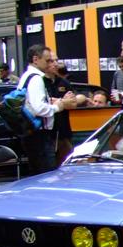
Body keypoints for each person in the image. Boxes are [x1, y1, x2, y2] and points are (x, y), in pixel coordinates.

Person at [20, 44, 75, 174]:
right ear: (35, 59)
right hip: (39, 134)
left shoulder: (26, 76)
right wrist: (58, 106)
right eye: (47, 60)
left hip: (31, 133)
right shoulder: (36, 78)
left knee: (39, 172)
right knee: (46, 175)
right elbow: (39, 108)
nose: (50, 64)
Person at [46, 60, 76, 164]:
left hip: (64, 131)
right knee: (49, 166)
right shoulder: (40, 81)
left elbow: (73, 103)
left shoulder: (63, 82)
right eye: (51, 61)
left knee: (67, 163)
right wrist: (63, 101)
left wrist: (56, 101)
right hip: (47, 133)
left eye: (56, 61)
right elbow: (43, 103)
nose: (55, 64)